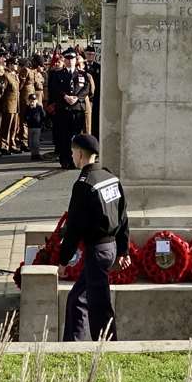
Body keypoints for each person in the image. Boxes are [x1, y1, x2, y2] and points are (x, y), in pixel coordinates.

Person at [57, 134, 129, 341]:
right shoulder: (110, 178)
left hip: (97, 251)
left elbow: (74, 228)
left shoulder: (84, 184)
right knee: (77, 299)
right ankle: (74, 343)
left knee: (98, 306)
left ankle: (107, 345)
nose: (72, 156)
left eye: (72, 153)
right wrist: (123, 250)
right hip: (111, 247)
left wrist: (63, 260)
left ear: (80, 154)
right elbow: (123, 216)